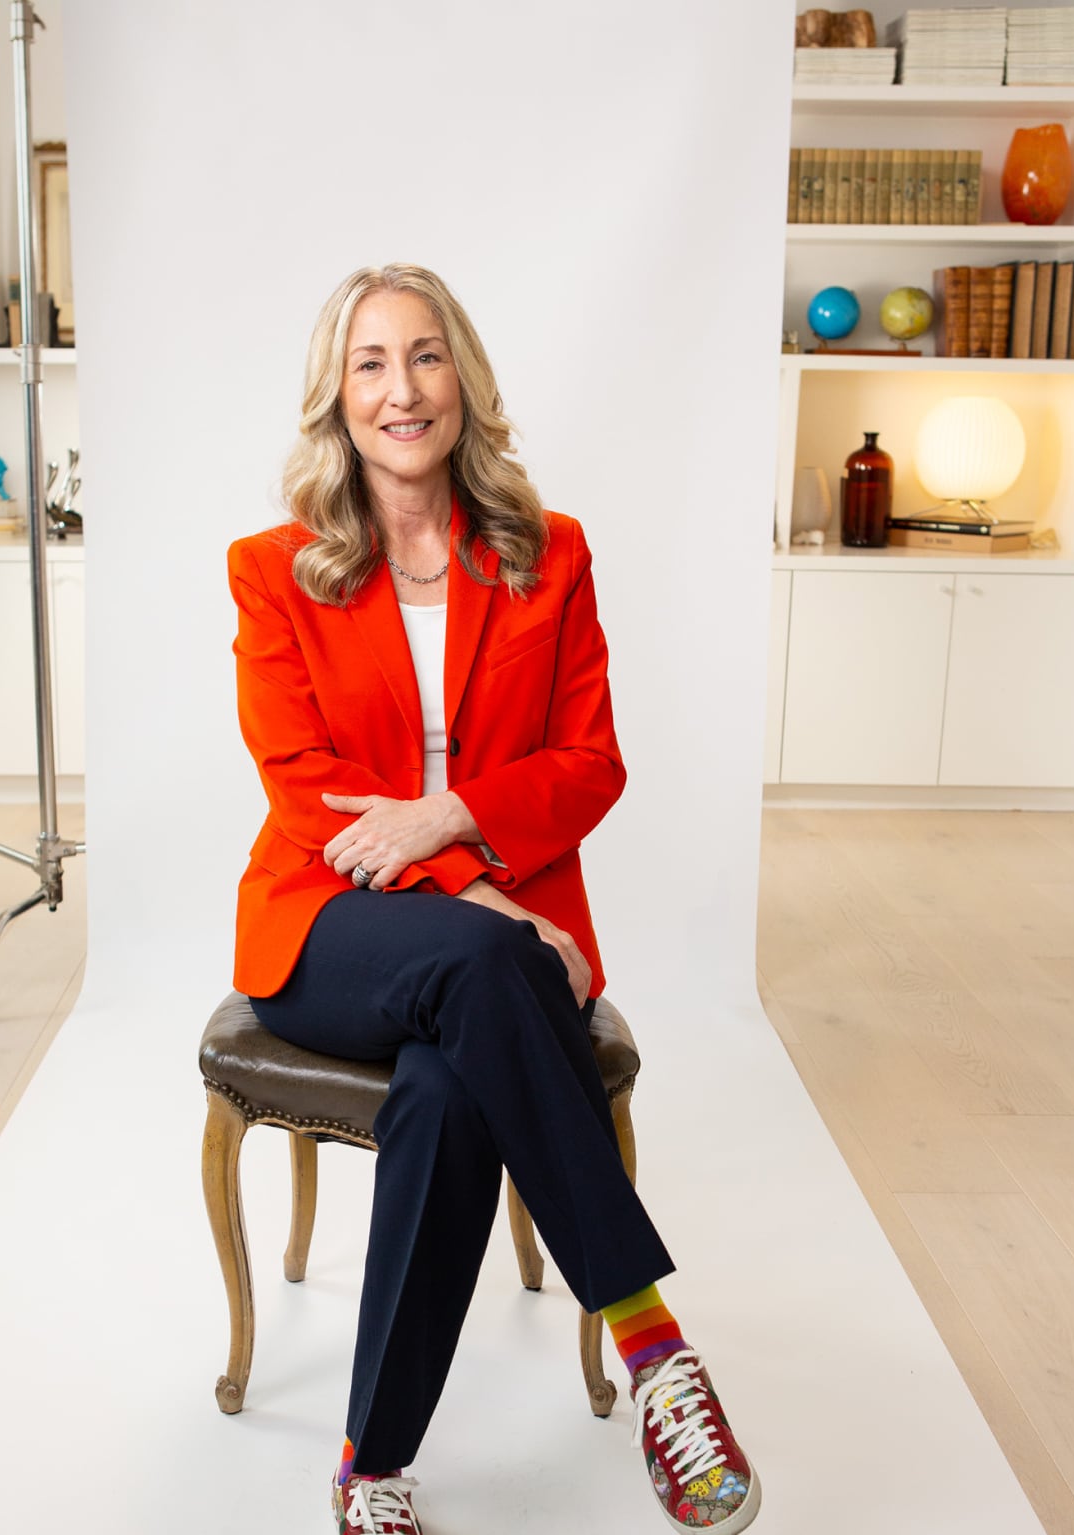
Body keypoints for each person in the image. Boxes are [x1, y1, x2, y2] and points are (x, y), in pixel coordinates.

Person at [226, 264, 762, 1535]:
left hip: (492, 945)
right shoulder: (273, 569)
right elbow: (304, 788)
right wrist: (482, 896)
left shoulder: (547, 554)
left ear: (461, 379)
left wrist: (455, 815)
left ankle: (371, 1465)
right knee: (486, 966)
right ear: (335, 397)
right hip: (327, 923)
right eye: (368, 362)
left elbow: (590, 763)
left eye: (424, 356)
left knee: (449, 1081)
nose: (399, 388)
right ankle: (651, 1339)